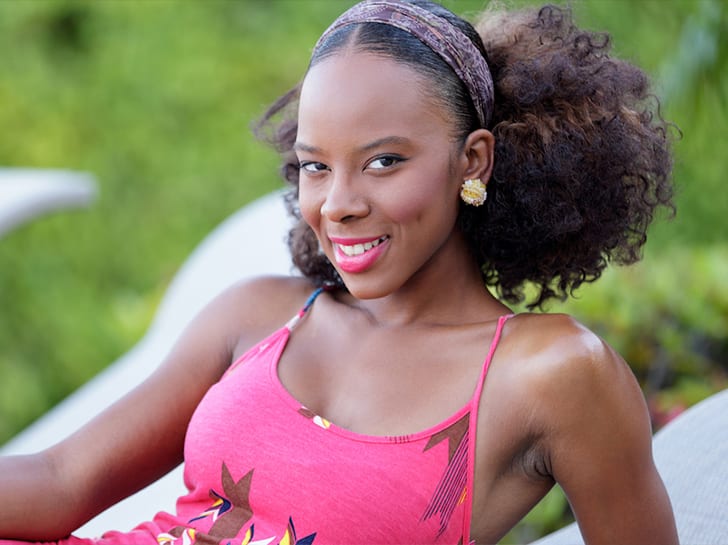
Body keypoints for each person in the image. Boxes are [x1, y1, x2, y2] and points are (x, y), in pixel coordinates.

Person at [0, 1, 678, 544]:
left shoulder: (551, 373)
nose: (338, 204)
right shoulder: (260, 316)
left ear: (472, 160)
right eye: (316, 166)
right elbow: (61, 480)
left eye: (383, 161)